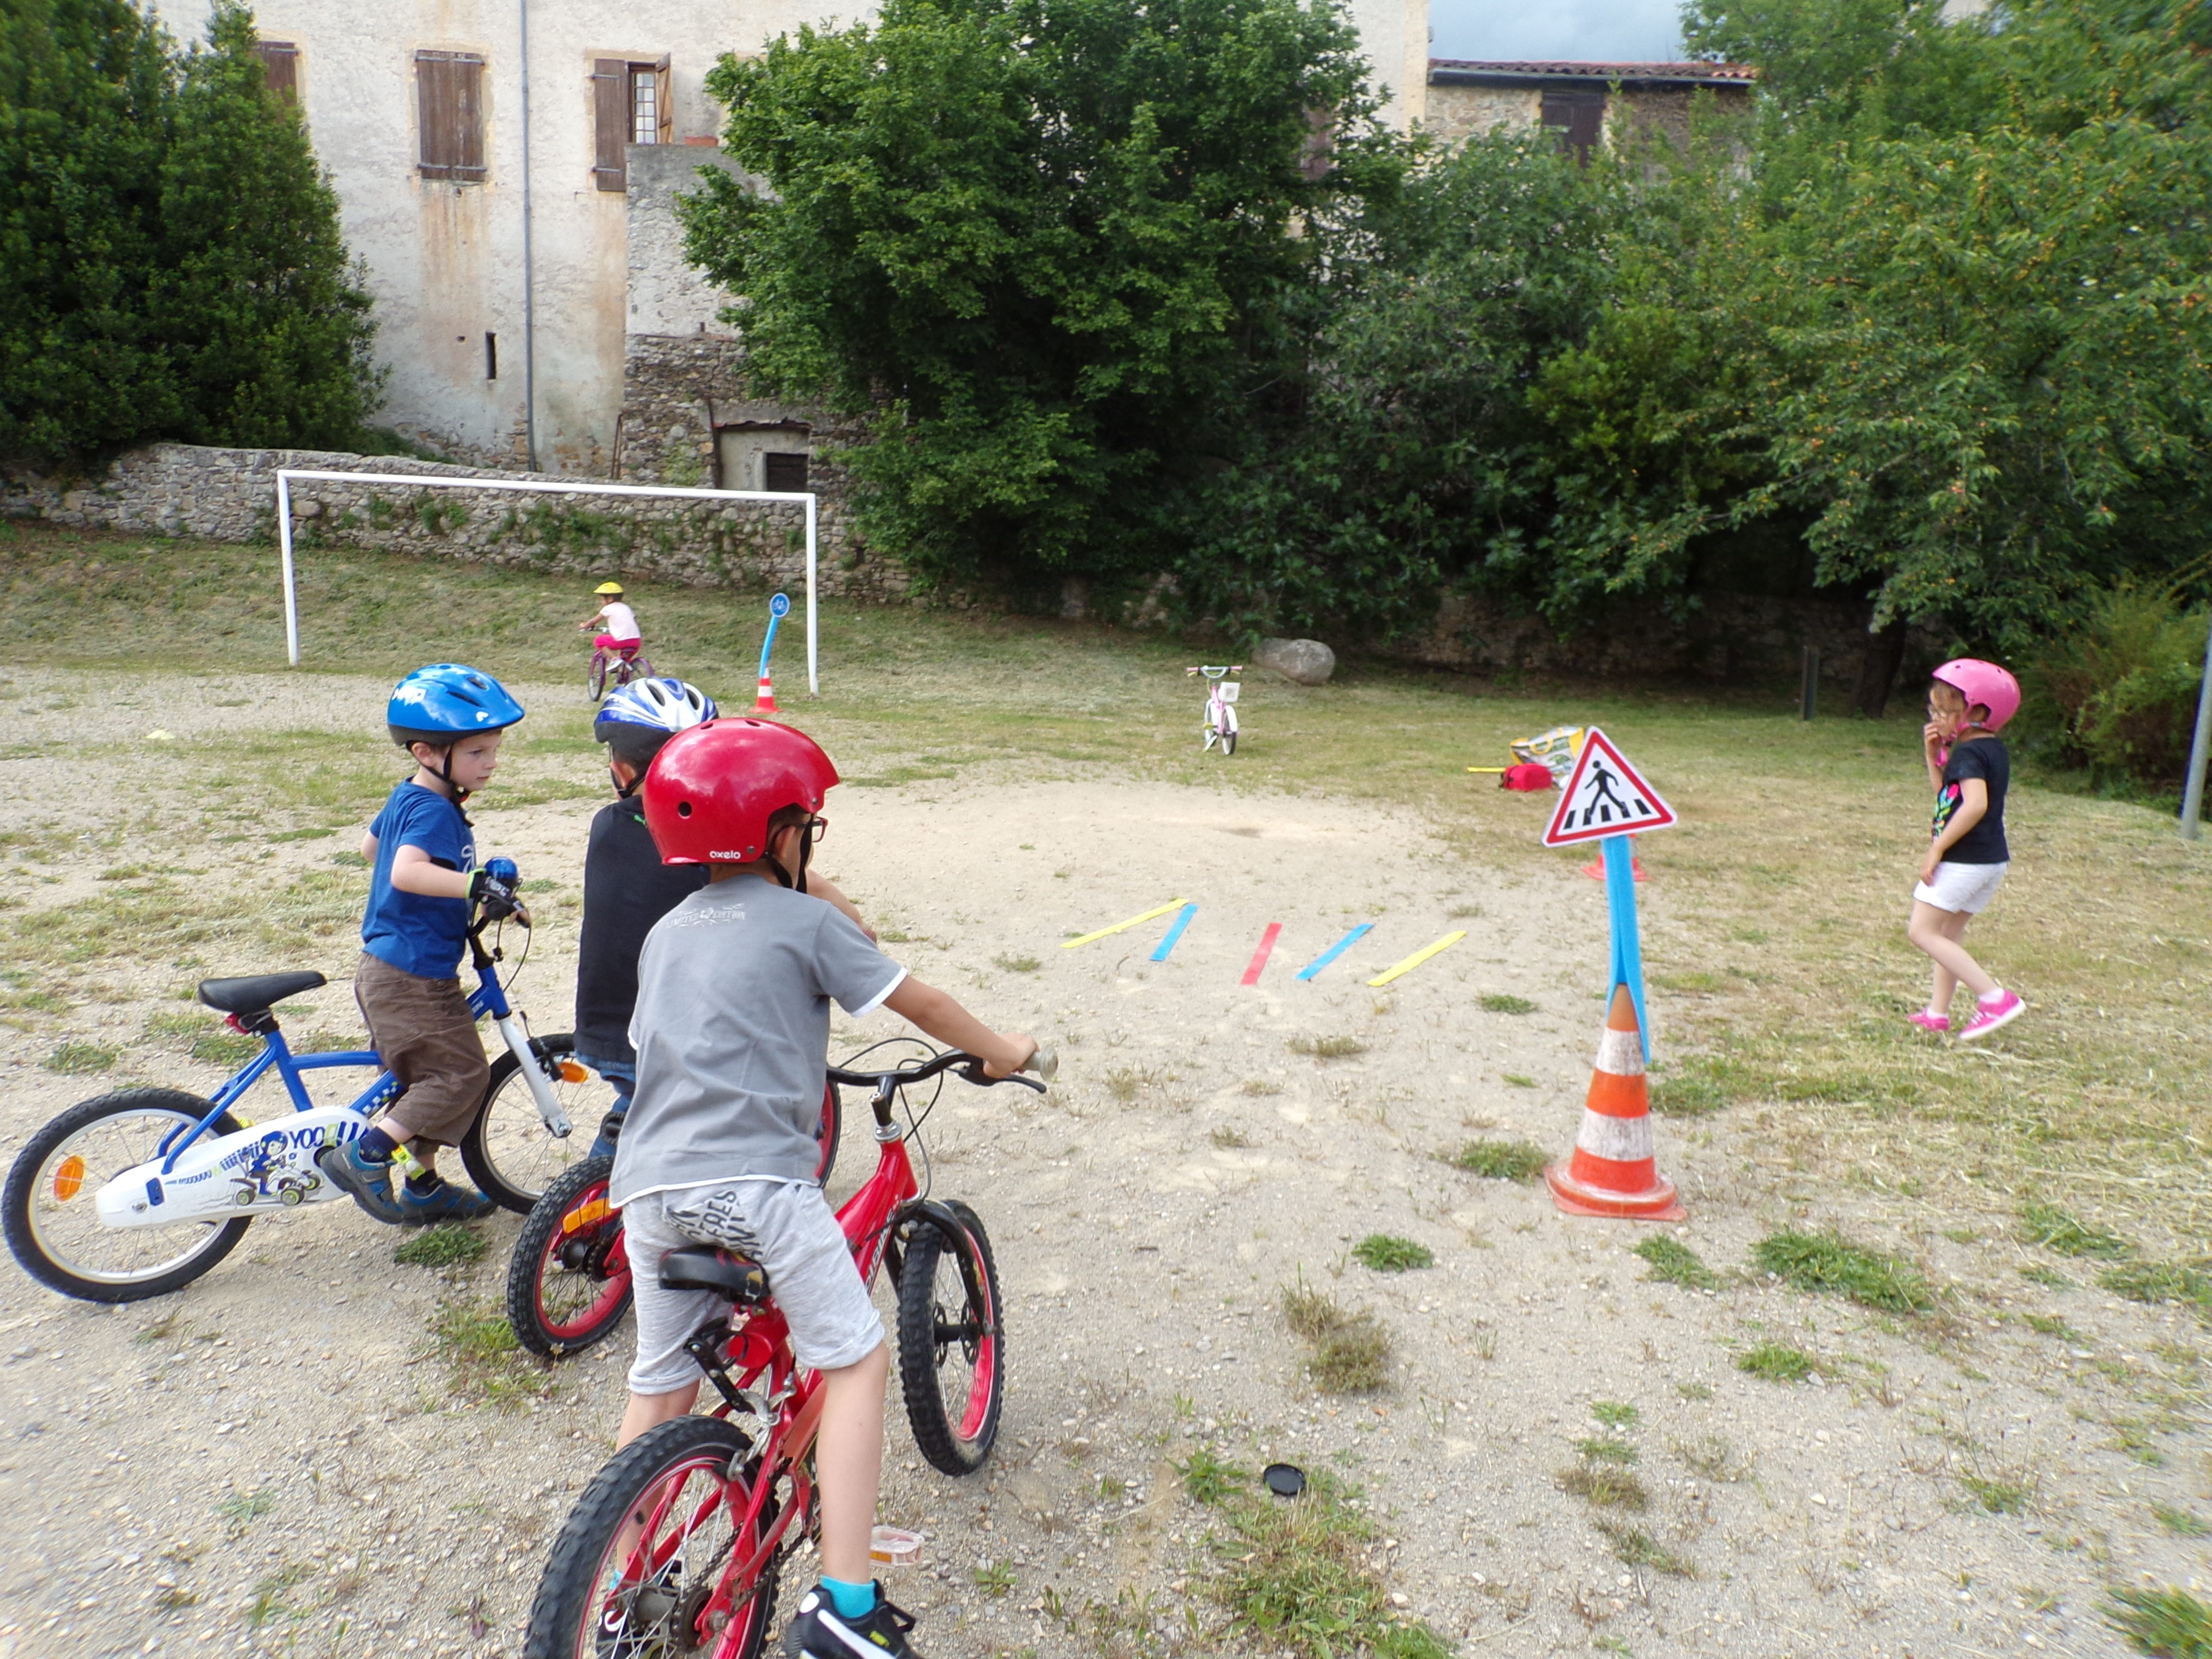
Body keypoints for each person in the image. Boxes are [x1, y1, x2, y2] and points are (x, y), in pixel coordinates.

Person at [611, 717, 1034, 1659]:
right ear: (780, 834)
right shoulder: (808, 921)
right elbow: (914, 1002)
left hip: (645, 1190)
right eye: (810, 825)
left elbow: (658, 1048)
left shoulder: (665, 933)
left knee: (663, 1375)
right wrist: (1002, 1052)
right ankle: (846, 1603)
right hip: (757, 1184)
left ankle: (619, 1574)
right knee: (854, 1362)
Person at [574, 679, 877, 1159]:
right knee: (704, 1128)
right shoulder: (702, 851)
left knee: (636, 1115)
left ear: (619, 769)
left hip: (602, 1029)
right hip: (681, 1037)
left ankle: (592, 1206)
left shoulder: (606, 827)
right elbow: (806, 885)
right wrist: (855, 924)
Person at [318, 664, 528, 1224]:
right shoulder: (436, 810)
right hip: (413, 976)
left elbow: (371, 849)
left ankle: (424, 1185)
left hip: (391, 965)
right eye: (478, 752)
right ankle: (367, 1156)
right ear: (426, 752)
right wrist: (472, 883)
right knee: (460, 1075)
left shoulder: (412, 797)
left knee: (422, 1079)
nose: (491, 763)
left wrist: (472, 893)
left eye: (494, 749)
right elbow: (405, 872)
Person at [1907, 658, 2026, 1042]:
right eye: (1934, 709)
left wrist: (1937, 849)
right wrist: (1933, 757)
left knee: (1922, 932)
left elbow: (1974, 805)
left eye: (1945, 710)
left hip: (1964, 861)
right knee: (1947, 935)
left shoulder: (1969, 755)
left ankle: (1995, 998)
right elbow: (1950, 800)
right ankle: (1937, 1012)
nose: (1936, 717)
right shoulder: (1991, 750)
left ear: (1976, 712)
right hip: (1989, 860)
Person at [578, 580, 642, 661]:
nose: (601, 602)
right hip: (636, 641)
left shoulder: (608, 608)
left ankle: (614, 659)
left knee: (599, 641)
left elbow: (594, 621)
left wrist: (584, 626)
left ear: (610, 599)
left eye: (602, 600)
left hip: (621, 641)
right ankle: (626, 671)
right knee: (625, 662)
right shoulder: (627, 608)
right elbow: (635, 622)